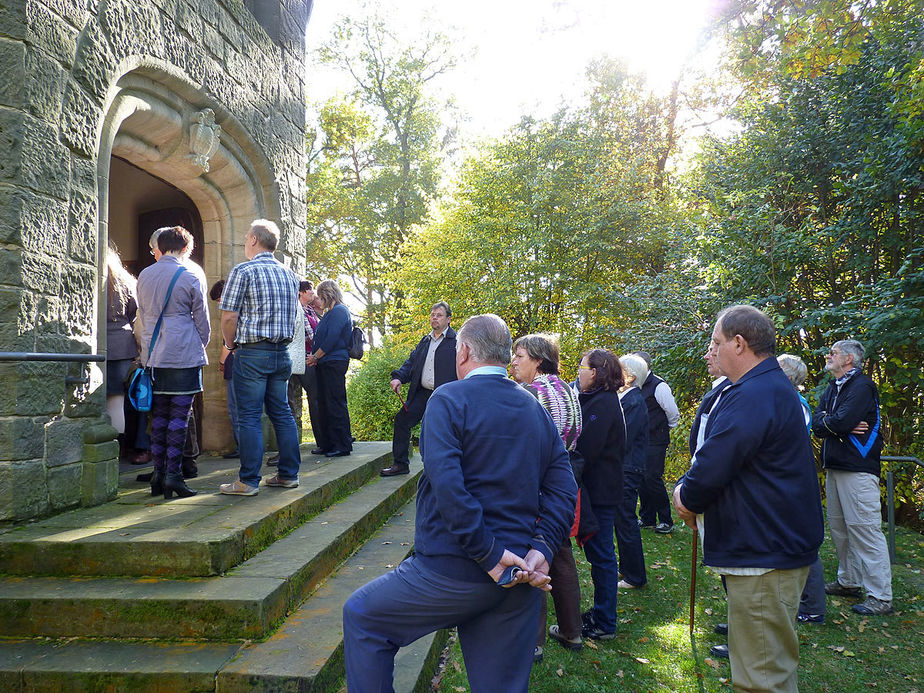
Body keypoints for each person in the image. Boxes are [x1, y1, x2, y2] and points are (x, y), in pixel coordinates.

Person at [342, 314, 577, 693]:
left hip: (451, 573)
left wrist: (488, 553)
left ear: (464, 350)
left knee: (363, 617)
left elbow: (450, 488)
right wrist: (543, 547)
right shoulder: (535, 409)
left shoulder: (447, 399)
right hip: (519, 574)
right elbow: (564, 486)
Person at [673, 305, 824, 693]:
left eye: (717, 342)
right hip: (767, 549)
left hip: (765, 556)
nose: (713, 350)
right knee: (762, 668)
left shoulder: (756, 393)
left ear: (739, 344)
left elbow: (714, 464)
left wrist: (684, 497)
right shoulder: (764, 388)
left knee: (761, 679)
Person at [510, 333, 583, 661]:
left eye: (520, 356)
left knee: (533, 554)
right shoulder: (569, 390)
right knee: (562, 554)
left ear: (538, 360)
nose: (514, 361)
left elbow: (518, 444)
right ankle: (573, 631)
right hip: (565, 482)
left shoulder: (528, 394)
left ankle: (533, 642)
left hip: (534, 484)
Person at [218, 219, 302, 496]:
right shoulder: (290, 275)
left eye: (246, 238)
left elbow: (229, 316)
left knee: (250, 416)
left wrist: (230, 346)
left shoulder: (244, 270)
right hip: (281, 354)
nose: (245, 243)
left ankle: (248, 481)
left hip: (252, 353)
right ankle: (288, 475)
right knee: (282, 413)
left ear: (254, 239)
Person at [812, 339, 893, 616]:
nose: (828, 356)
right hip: (835, 466)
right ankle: (849, 582)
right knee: (839, 529)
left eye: (832, 353)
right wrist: (833, 422)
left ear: (848, 359)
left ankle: (880, 595)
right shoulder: (833, 387)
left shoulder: (861, 386)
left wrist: (833, 423)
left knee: (864, 529)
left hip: (857, 469)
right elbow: (817, 423)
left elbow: (840, 422)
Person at [136, 226, 210, 500]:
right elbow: (202, 318)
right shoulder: (190, 273)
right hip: (182, 353)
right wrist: (199, 343)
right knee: (180, 417)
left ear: (161, 246)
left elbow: (143, 314)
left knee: (158, 418)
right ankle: (174, 477)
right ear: (186, 248)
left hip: (154, 355)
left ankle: (157, 475)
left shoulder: (145, 274)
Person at [576, 348, 627, 640]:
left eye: (582, 367)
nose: (579, 372)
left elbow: (587, 449)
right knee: (601, 555)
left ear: (595, 373)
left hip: (601, 492)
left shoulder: (603, 403)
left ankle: (605, 620)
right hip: (598, 489)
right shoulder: (596, 399)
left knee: (603, 556)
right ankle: (601, 612)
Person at [777, 353, 827, 625]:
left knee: (803, 543)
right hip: (787, 480)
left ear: (789, 376)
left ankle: (814, 607)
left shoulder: (796, 402)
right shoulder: (785, 398)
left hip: (793, 482)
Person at [381, 301, 457, 476]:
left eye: (439, 315)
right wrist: (398, 377)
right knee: (402, 420)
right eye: (433, 315)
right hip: (422, 393)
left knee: (439, 431)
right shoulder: (425, 341)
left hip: (444, 396)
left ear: (449, 319)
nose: (435, 318)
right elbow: (411, 363)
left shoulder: (457, 342)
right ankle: (400, 465)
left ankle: (443, 470)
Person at [305, 279, 353, 457]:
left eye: (319, 296)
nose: (318, 300)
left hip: (334, 362)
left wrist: (316, 356)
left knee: (335, 403)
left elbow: (332, 338)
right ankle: (329, 444)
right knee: (325, 404)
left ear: (326, 294)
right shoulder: (329, 313)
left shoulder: (340, 311)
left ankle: (342, 445)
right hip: (325, 363)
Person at [634, 350, 680, 534]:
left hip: (656, 440)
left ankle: (666, 520)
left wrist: (662, 430)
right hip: (640, 439)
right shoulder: (635, 384)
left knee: (652, 477)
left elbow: (673, 413)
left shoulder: (659, 386)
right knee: (641, 478)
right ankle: (647, 517)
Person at [615, 353, 650, 590]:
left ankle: (634, 576)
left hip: (628, 468)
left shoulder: (634, 401)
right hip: (624, 466)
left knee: (626, 520)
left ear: (630, 377)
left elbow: (623, 438)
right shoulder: (627, 399)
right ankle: (627, 568)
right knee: (621, 520)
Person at [104, 244, 139, 451]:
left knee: (101, 399)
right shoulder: (126, 281)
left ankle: (106, 448)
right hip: (123, 346)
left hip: (98, 345)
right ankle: (118, 449)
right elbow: (135, 314)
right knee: (118, 399)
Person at [209, 279, 239, 458]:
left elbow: (229, 343)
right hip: (237, 363)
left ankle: (243, 448)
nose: (219, 303)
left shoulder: (231, 313)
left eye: (219, 298)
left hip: (234, 364)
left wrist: (221, 362)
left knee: (235, 408)